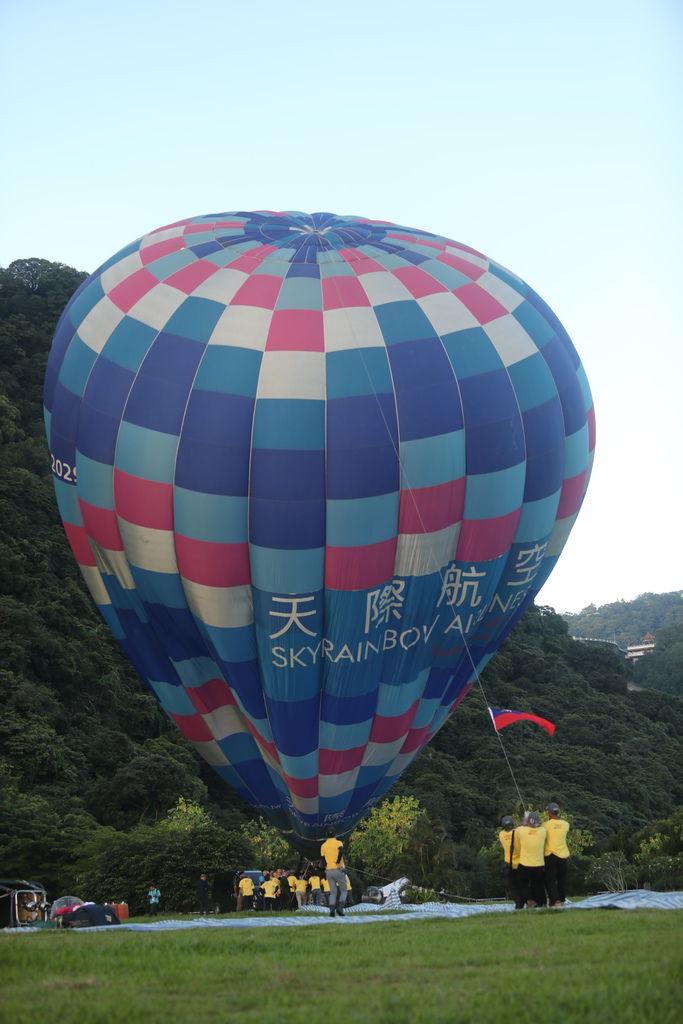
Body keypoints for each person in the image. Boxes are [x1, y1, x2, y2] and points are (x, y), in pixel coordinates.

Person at [516, 811, 547, 908]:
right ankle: (541, 903)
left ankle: (529, 900)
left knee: (522, 884)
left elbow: (521, 826)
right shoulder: (543, 831)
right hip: (539, 864)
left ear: (527, 821)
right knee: (538, 885)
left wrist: (525, 819)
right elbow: (539, 825)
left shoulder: (520, 830)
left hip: (524, 864)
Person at [544, 802, 570, 906]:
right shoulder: (566, 824)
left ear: (549, 813)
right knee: (561, 879)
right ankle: (562, 899)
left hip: (550, 855)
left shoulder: (545, 825)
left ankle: (555, 901)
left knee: (550, 880)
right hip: (563, 855)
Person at [320, 827, 347, 918]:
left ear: (326, 835)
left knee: (333, 892)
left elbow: (323, 860)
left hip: (329, 871)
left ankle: (332, 909)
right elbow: (341, 851)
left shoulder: (323, 845)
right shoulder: (338, 843)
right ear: (335, 834)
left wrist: (325, 868)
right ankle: (340, 908)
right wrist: (338, 862)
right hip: (338, 870)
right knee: (343, 891)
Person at [498, 815, 523, 909]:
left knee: (512, 887)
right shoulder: (518, 832)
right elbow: (520, 829)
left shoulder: (501, 835)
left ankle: (519, 903)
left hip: (508, 864)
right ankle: (525, 901)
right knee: (522, 885)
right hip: (521, 863)